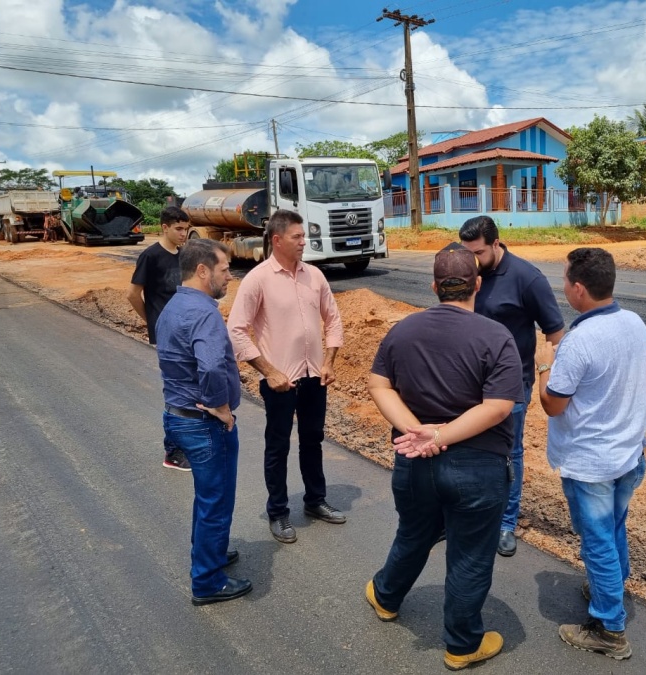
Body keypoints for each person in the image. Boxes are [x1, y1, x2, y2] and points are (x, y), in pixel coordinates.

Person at [365, 242, 523, 671]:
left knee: (414, 534)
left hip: (414, 461)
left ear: (434, 286)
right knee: (470, 556)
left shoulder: (403, 331)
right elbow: (498, 407)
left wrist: (416, 430)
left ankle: (385, 597)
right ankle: (461, 645)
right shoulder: (496, 336)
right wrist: (440, 434)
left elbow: (379, 385)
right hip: (477, 468)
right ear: (477, 285)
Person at [536, 247, 646, 661]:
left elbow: (554, 405)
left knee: (597, 541)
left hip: (592, 463)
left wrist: (543, 366)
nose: (562, 285)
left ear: (579, 289)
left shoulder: (579, 341)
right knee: (615, 527)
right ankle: (612, 585)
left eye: (565, 279)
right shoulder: (633, 323)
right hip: (629, 454)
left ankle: (608, 628)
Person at [227, 209, 345, 544]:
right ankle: (278, 512)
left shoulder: (315, 276)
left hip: (314, 376)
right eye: (297, 237)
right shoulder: (257, 279)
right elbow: (236, 330)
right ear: (277, 240)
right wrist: (269, 372)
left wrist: (330, 360)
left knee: (313, 440)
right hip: (279, 381)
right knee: (277, 446)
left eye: (303, 236)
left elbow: (333, 320)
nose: (303, 242)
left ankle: (315, 500)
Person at [459, 215, 564, 557]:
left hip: (511, 387)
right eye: (467, 252)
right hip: (468, 383)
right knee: (470, 448)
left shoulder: (527, 278)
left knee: (509, 454)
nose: (472, 260)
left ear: (496, 243)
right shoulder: (469, 271)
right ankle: (472, 513)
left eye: (478, 252)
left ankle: (506, 523)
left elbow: (555, 333)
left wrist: (548, 372)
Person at [156, 239, 250, 606]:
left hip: (178, 416)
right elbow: (210, 365)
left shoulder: (174, 306)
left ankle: (209, 554)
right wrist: (221, 408)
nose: (230, 276)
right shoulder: (204, 313)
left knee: (207, 497)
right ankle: (208, 581)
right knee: (217, 500)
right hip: (203, 423)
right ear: (203, 270)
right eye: (225, 269)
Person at [128, 206, 192, 471]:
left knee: (188, 389)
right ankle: (173, 452)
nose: (183, 234)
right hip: (168, 336)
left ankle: (188, 444)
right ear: (164, 227)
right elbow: (132, 294)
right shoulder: (150, 256)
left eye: (186, 229)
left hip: (186, 331)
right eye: (178, 229)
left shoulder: (183, 255)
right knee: (175, 393)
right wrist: (154, 322)